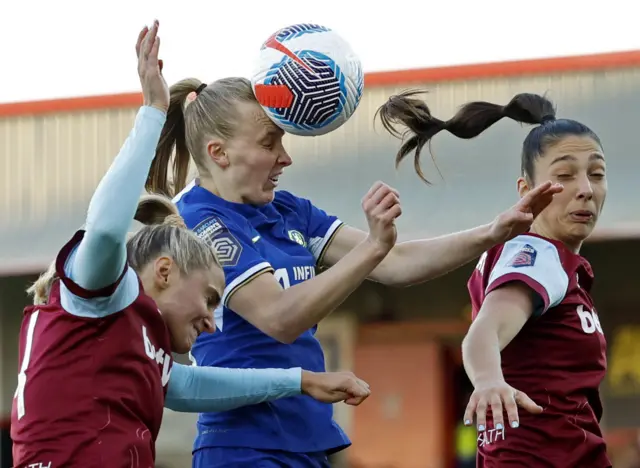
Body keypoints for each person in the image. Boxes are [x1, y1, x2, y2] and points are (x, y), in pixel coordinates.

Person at [148, 59, 561, 466]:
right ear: (218, 153)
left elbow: (394, 262)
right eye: (269, 142)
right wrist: (371, 249)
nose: (285, 157)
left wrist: (493, 231)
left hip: (306, 439)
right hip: (244, 446)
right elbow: (279, 317)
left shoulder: (288, 209)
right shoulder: (197, 218)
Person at [10, 21, 371, 468]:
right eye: (209, 299)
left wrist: (299, 381)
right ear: (164, 271)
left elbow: (188, 387)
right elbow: (104, 230)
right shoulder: (99, 292)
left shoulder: (137, 338)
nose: (212, 322)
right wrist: (152, 111)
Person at [380, 90, 609, 467]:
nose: (585, 189)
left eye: (596, 174)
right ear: (526, 191)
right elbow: (483, 332)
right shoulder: (537, 256)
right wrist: (488, 382)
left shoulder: (555, 264)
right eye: (565, 176)